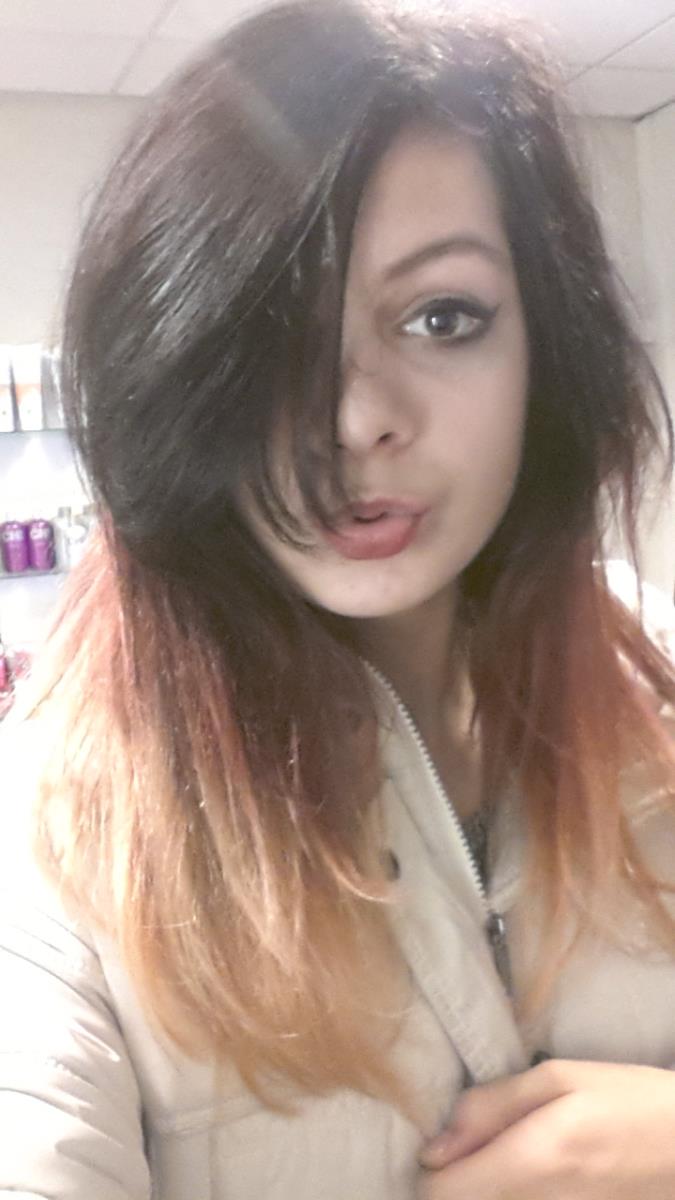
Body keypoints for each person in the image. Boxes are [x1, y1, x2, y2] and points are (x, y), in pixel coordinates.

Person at [2, 1, 675, 1196]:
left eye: (442, 318)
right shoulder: (61, 812)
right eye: (268, 338)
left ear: (544, 349)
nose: (356, 418)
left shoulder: (650, 676)